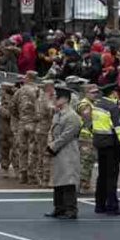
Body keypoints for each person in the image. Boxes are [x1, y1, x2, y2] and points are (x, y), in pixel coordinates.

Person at [92, 83, 120, 215]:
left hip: (99, 142)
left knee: (102, 175)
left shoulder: (97, 105)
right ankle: (112, 206)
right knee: (111, 176)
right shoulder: (112, 107)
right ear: (113, 93)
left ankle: (99, 204)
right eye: (117, 92)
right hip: (112, 144)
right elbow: (118, 128)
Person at [46, 86, 81, 219]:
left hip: (67, 151)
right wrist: (50, 143)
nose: (55, 99)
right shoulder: (58, 114)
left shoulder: (72, 116)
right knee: (58, 181)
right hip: (58, 151)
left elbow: (67, 135)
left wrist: (52, 146)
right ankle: (59, 208)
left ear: (65, 99)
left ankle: (71, 210)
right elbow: (52, 130)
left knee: (68, 181)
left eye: (57, 97)